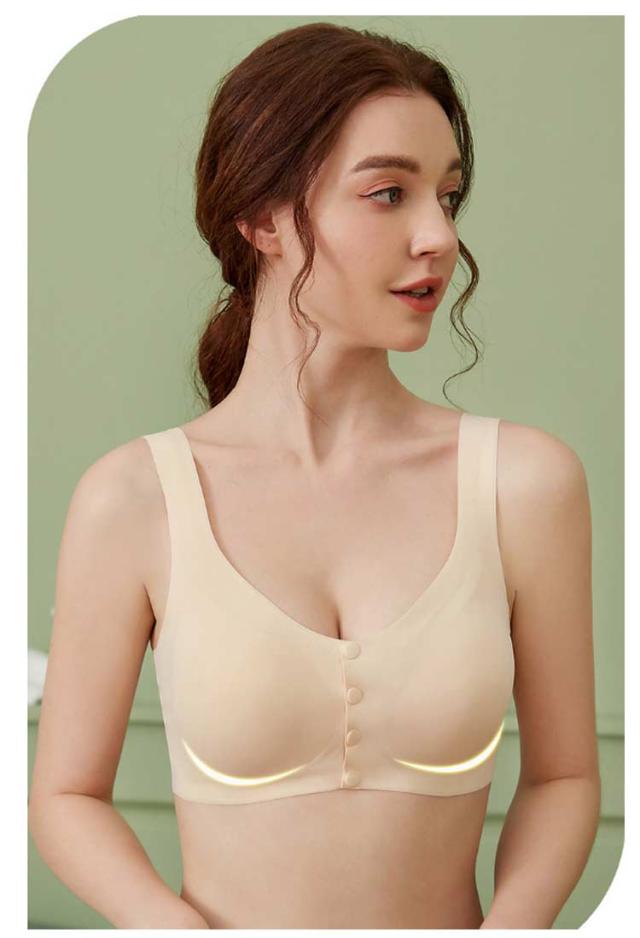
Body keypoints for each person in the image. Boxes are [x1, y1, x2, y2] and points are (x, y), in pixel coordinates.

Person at [28, 22, 600, 929]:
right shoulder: (135, 500)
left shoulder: (524, 485)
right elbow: (65, 797)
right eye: (388, 193)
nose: (438, 236)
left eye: (448, 196)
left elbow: (566, 776)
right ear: (262, 219)